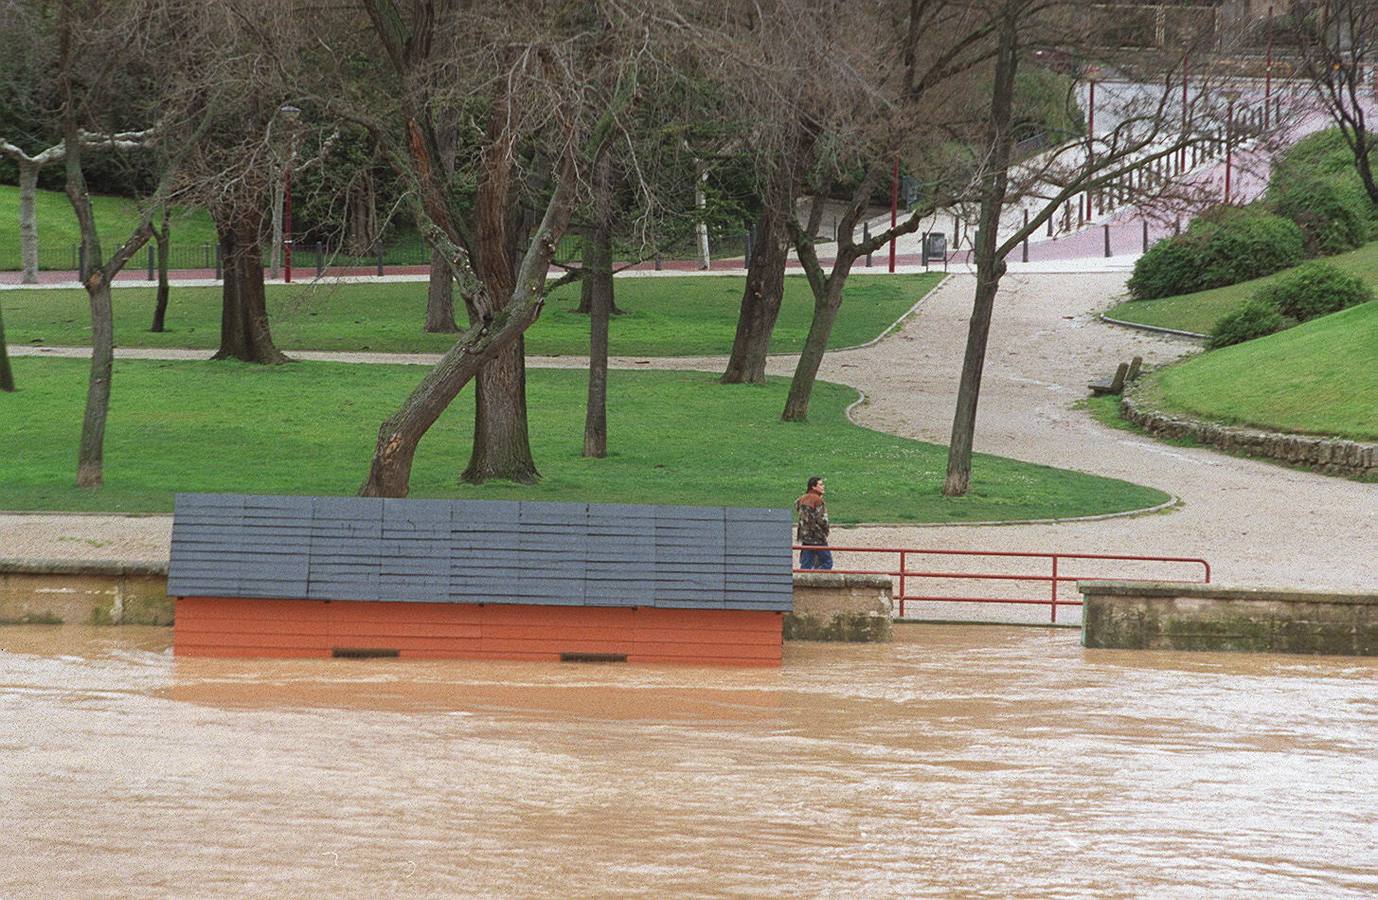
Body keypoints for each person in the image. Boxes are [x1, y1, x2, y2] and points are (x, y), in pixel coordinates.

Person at [794, 476, 833, 571]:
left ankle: (803, 583)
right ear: (813, 487)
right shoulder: (818, 500)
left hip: (805, 537)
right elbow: (822, 520)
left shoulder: (803, 499)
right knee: (827, 563)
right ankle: (816, 577)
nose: (823, 486)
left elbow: (796, 504)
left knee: (805, 565)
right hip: (817, 537)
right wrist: (826, 530)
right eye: (820, 484)